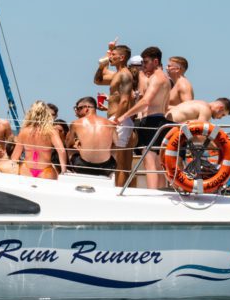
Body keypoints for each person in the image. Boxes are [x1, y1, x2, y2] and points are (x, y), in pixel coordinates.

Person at [116, 46, 170, 189]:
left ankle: (153, 194)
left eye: (145, 62)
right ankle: (161, 193)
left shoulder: (157, 78)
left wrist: (123, 116)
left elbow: (146, 101)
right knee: (158, 163)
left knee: (149, 160)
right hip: (160, 120)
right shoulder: (164, 78)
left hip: (152, 121)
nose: (143, 66)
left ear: (156, 61)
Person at [94, 41, 136, 186]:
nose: (110, 57)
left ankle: (120, 192)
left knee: (121, 163)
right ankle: (119, 189)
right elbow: (98, 80)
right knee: (117, 161)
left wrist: (116, 119)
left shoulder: (125, 75)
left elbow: (124, 101)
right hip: (115, 119)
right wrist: (101, 65)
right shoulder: (117, 74)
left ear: (122, 57)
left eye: (113, 55)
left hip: (120, 121)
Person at [11, 100, 67, 180]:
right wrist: (63, 171)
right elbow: (62, 151)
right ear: (46, 114)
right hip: (46, 171)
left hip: (26, 170)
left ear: (30, 113)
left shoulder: (24, 131)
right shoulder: (51, 132)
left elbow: (14, 157)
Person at [66, 96, 117, 177]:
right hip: (107, 167)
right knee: (114, 148)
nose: (76, 112)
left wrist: (79, 146)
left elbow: (68, 144)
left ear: (86, 108)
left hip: (83, 167)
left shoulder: (76, 123)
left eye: (78, 108)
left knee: (70, 149)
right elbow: (116, 144)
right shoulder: (110, 123)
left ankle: (68, 172)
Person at [166, 98, 230, 123]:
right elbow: (199, 133)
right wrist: (217, 147)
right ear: (220, 108)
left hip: (165, 124)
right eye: (223, 115)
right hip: (169, 127)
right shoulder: (206, 110)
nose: (220, 118)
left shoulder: (199, 103)